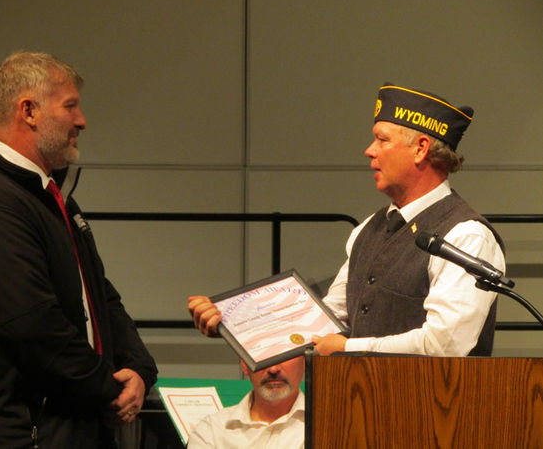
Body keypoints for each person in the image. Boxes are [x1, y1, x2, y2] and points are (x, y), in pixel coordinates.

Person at [0, 51, 158, 449]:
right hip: (15, 437)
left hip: (66, 430)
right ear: (29, 111)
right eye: (70, 106)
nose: (82, 121)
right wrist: (110, 390)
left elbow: (101, 298)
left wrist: (138, 370)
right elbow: (35, 330)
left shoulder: (51, 198)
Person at [189, 82, 505, 358]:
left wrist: (347, 348)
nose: (369, 151)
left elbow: (447, 343)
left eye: (382, 140)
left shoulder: (467, 235)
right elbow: (326, 320)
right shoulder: (368, 229)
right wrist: (235, 324)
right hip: (361, 409)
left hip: (435, 418)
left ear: (421, 149)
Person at [187, 356, 305, 449]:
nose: (273, 369)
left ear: (304, 360)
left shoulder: (321, 425)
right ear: (244, 364)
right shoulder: (211, 430)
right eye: (262, 355)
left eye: (284, 355)